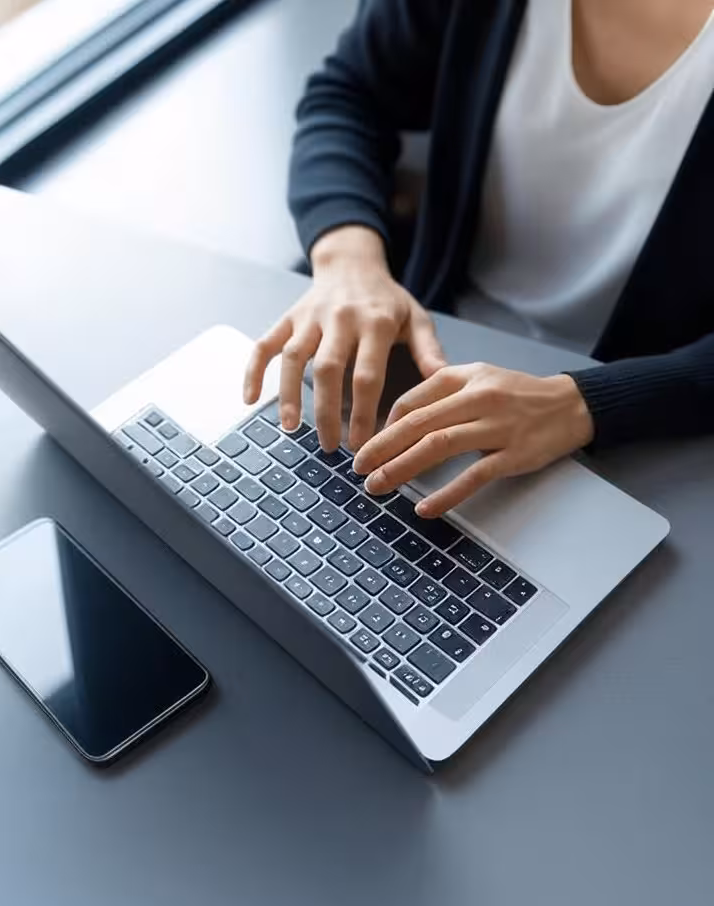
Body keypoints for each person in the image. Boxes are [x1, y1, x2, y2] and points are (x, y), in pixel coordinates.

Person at [244, 0, 714, 518]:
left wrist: (587, 404)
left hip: (637, 429)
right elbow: (350, 94)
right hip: (430, 354)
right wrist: (348, 261)